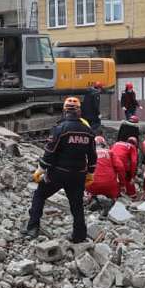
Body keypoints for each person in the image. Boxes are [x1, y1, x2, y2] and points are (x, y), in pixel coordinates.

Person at [24, 96, 94, 242]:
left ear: (64, 111)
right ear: (79, 111)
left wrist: (41, 169)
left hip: (59, 173)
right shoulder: (88, 131)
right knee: (77, 205)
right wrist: (90, 173)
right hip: (78, 174)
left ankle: (32, 228)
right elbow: (93, 156)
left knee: (40, 195)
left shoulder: (60, 129)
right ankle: (79, 235)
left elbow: (50, 152)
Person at [85, 136, 121, 207]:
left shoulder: (87, 154)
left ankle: (92, 198)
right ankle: (111, 202)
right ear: (104, 144)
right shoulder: (110, 152)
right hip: (110, 186)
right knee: (114, 195)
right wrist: (122, 184)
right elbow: (120, 167)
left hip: (92, 186)